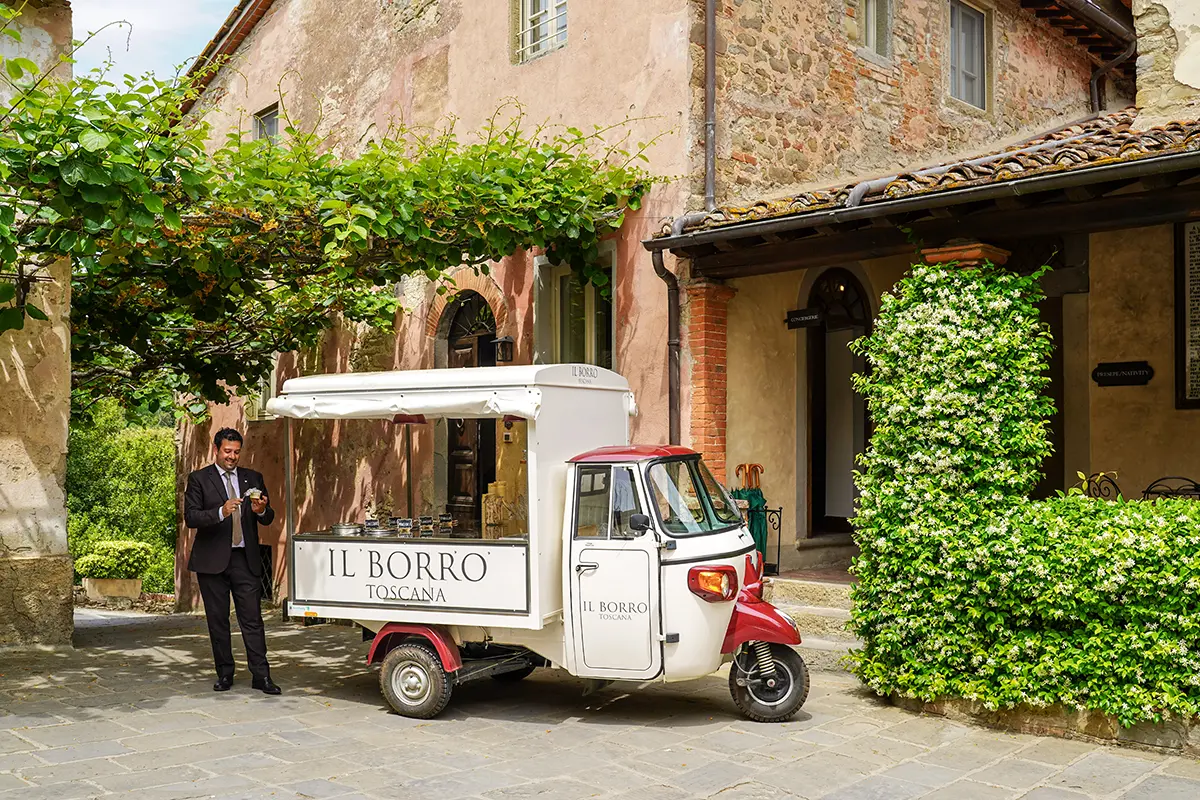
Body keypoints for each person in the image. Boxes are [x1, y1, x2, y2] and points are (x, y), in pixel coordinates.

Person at [184, 428, 281, 695]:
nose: (232, 456)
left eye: (237, 452)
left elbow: (268, 516)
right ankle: (225, 674)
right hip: (211, 561)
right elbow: (191, 517)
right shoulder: (199, 479)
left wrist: (262, 511)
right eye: (227, 451)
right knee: (218, 621)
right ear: (216, 450)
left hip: (244, 559)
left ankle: (261, 676)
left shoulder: (253, 477)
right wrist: (220, 511)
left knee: (252, 620)